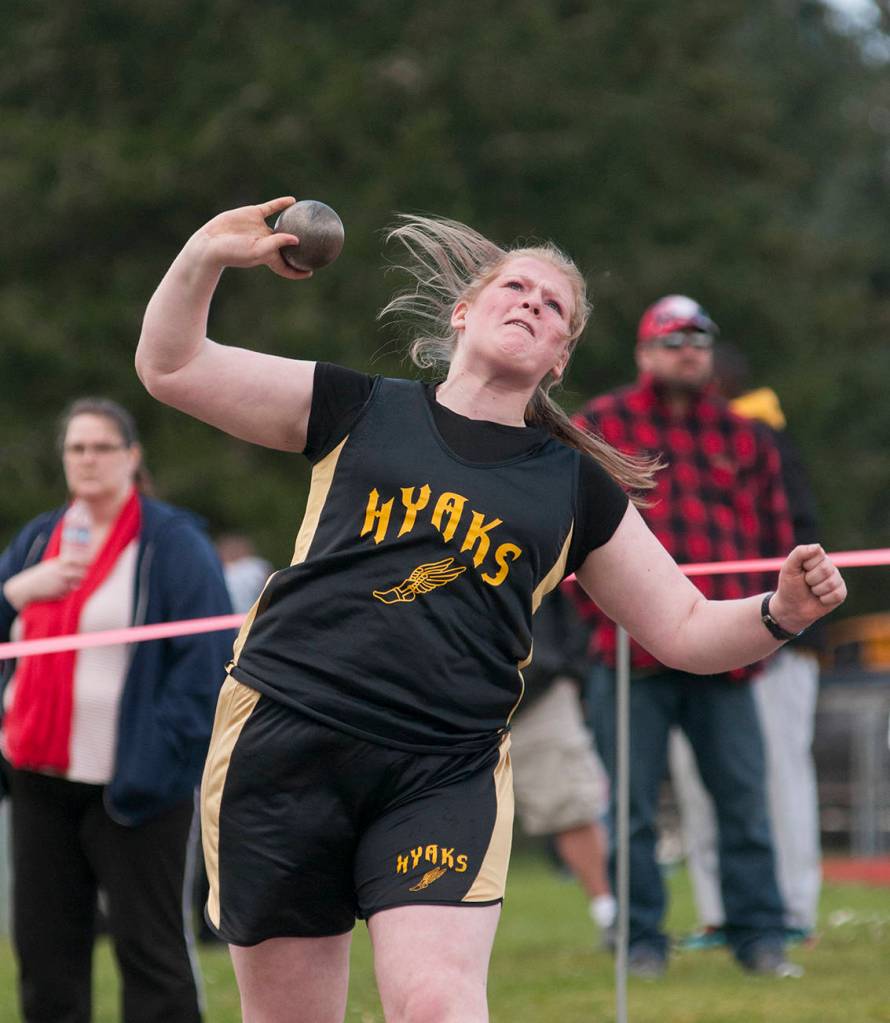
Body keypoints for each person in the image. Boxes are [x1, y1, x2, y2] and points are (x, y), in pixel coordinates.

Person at [134, 199, 845, 1021]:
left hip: (442, 765)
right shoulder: (359, 408)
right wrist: (204, 255)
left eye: (554, 310)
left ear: (558, 357)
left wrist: (779, 610)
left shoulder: (574, 486)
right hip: (286, 737)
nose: (532, 306)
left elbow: (683, 628)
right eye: (517, 288)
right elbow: (173, 368)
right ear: (464, 311)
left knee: (439, 1003)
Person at [572, 295, 811, 979]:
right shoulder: (600, 427)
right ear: (644, 352)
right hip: (626, 654)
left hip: (727, 655)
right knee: (631, 811)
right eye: (673, 339)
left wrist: (762, 627)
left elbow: (774, 544)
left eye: (699, 339)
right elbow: (566, 530)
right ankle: (640, 942)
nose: (688, 350)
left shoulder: (747, 436)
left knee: (744, 802)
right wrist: (603, 621)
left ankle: (760, 938)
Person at [0, 398, 234, 1023]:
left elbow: (205, 661)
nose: (88, 460)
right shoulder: (40, 539)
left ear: (132, 457)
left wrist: (161, 755)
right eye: (76, 448)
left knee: (150, 951)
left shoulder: (171, 542)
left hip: (136, 785)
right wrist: (18, 591)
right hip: (40, 779)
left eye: (102, 447)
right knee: (45, 953)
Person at [671, 341, 825, 948]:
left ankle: (790, 910)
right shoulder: (692, 444)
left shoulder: (760, 438)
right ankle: (721, 913)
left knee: (778, 777)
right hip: (706, 634)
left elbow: (793, 540)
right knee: (704, 781)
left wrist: (775, 629)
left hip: (778, 644)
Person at [509, 582, 615, 939]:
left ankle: (609, 916)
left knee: (572, 808)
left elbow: (574, 603)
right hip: (443, 697)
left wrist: (571, 674)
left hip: (539, 690)